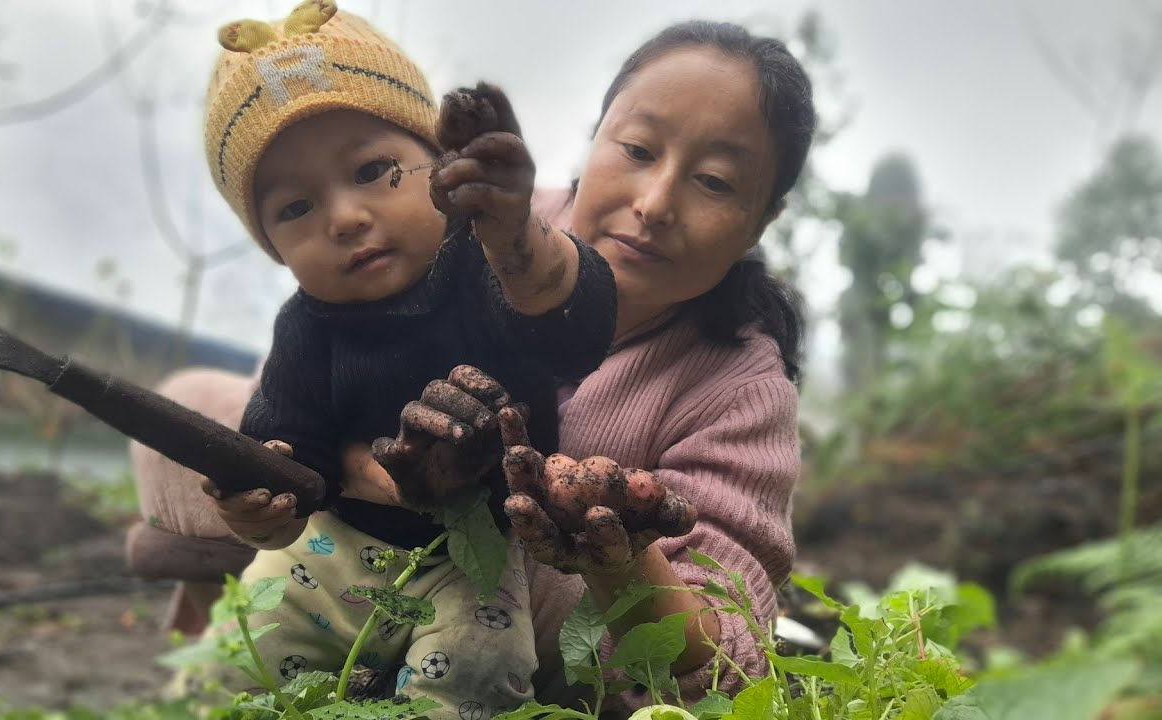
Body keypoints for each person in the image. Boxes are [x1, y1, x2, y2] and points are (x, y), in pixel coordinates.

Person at [129, 14, 814, 716]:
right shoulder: (452, 216)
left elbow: (727, 664)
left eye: (715, 181)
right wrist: (356, 473)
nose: (654, 203)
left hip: (515, 584)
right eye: (638, 149)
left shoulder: (738, 387)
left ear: (764, 218)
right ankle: (255, 645)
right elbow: (299, 393)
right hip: (347, 541)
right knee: (195, 412)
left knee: (511, 617)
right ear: (596, 137)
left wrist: (611, 549)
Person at [167, 1, 622, 714]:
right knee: (235, 654)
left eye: (374, 170)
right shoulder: (307, 327)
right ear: (272, 246)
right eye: (295, 208)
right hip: (332, 551)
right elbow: (286, 445)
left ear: (441, 163)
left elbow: (574, 329)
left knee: (480, 664)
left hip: (468, 556)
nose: (346, 217)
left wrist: (514, 237)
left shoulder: (488, 266)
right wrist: (260, 506)